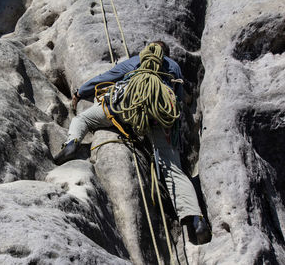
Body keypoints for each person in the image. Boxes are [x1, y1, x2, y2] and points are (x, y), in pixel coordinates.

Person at [54, 41, 211, 245]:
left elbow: (106, 78)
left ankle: (72, 143)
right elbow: (178, 100)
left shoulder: (136, 61)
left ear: (148, 50)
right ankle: (196, 219)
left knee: (82, 119)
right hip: (160, 117)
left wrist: (80, 92)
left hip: (125, 107)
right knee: (173, 170)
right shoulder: (174, 67)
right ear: (166, 54)